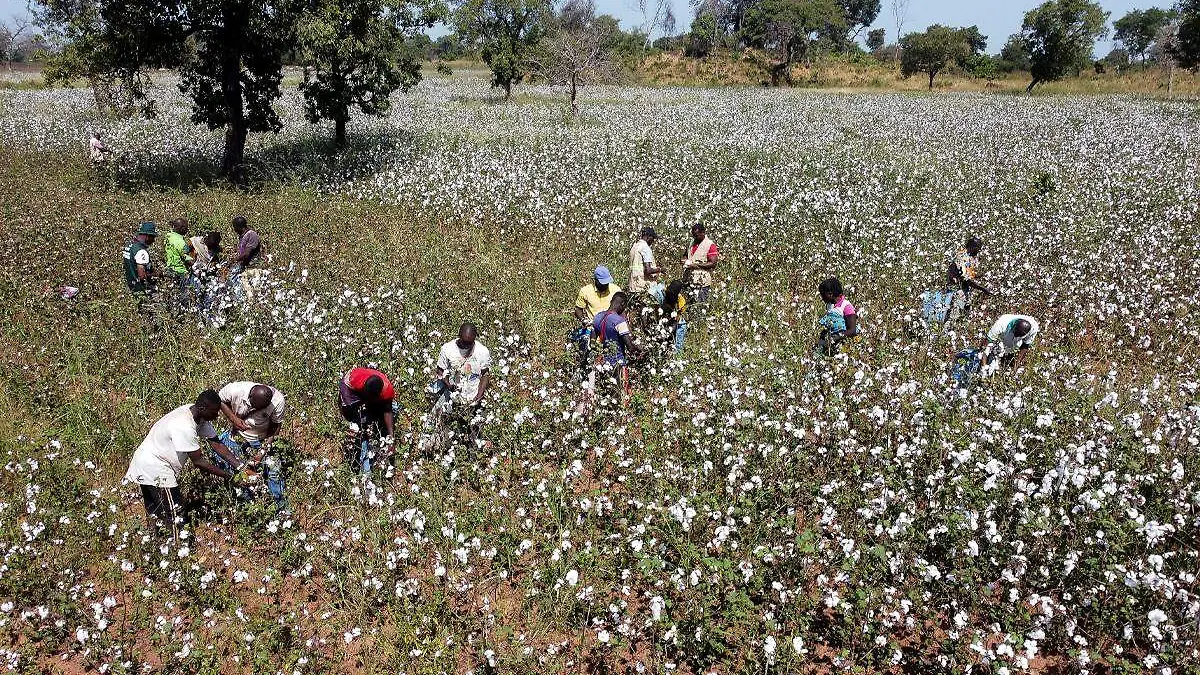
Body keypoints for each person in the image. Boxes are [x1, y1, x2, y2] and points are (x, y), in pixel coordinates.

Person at [123, 390, 249, 531]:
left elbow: (217, 444)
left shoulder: (198, 415)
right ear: (203, 408)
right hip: (155, 467)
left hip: (146, 461)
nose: (216, 416)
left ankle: (156, 545)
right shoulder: (184, 426)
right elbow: (199, 462)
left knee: (156, 512)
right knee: (174, 513)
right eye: (214, 412)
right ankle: (178, 547)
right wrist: (230, 477)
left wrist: (242, 468)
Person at [217, 382, 288, 511]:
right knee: (240, 474)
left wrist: (262, 451)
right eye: (253, 407)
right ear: (249, 397)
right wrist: (234, 419)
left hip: (261, 439)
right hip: (237, 437)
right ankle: (249, 508)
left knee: (274, 472)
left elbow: (274, 428)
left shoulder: (278, 401)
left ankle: (282, 510)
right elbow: (219, 400)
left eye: (260, 409)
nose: (254, 411)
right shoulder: (235, 390)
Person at [338, 367, 396, 474]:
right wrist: (350, 422)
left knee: (389, 410)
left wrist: (391, 438)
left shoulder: (387, 389)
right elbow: (343, 400)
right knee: (357, 422)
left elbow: (388, 411)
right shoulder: (353, 381)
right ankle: (362, 465)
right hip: (352, 389)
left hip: (373, 396)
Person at [572, 266, 622, 367]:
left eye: (607, 282)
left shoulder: (615, 290)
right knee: (589, 356)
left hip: (611, 328)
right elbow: (578, 309)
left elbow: (622, 310)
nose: (605, 285)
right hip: (593, 328)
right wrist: (583, 320)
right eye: (602, 283)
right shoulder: (585, 291)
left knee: (613, 357)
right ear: (595, 280)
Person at [593, 292, 639, 397]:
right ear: (622, 304)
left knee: (606, 393)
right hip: (618, 364)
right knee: (619, 394)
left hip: (603, 364)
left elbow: (592, 342)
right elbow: (630, 347)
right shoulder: (619, 321)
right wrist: (639, 348)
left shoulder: (597, 317)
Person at [946, 236, 990, 322]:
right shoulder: (961, 257)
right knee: (952, 316)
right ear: (972, 247)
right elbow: (966, 279)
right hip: (956, 291)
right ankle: (945, 333)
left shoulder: (969, 257)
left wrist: (979, 275)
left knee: (966, 315)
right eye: (978, 249)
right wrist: (982, 289)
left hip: (965, 291)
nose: (978, 251)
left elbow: (969, 274)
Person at [815, 277, 859, 355]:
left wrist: (836, 337)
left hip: (844, 345)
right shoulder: (830, 305)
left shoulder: (846, 306)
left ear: (830, 294)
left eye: (823, 294)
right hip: (832, 342)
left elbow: (852, 330)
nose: (822, 298)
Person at [122, 222, 159, 307]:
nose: (153, 240)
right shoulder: (141, 251)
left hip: (131, 287)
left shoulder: (129, 246)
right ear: (147, 236)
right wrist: (158, 274)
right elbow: (142, 276)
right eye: (153, 237)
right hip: (142, 290)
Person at [682, 223, 720, 304]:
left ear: (703, 233)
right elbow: (686, 254)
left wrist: (695, 265)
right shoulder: (691, 242)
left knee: (700, 306)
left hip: (702, 282)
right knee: (688, 306)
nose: (695, 237)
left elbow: (713, 263)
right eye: (693, 235)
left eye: (697, 235)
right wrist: (684, 260)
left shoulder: (710, 245)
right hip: (688, 280)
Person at [163, 218, 196, 300]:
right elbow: (187, 259)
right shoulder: (181, 243)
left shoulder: (168, 236)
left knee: (172, 295)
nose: (187, 230)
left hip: (169, 268)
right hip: (180, 272)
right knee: (183, 297)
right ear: (182, 228)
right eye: (186, 228)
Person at [229, 216, 262, 299]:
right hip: (246, 269)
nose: (234, 230)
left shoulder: (252, 235)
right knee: (247, 294)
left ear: (239, 227)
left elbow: (247, 253)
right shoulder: (243, 236)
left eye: (234, 227)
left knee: (253, 295)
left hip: (254, 269)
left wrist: (234, 260)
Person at [628, 227, 664, 294]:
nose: (653, 241)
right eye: (653, 238)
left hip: (633, 285)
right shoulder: (645, 248)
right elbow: (648, 270)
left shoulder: (634, 246)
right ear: (648, 237)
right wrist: (660, 269)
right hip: (642, 287)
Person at [659, 280, 688, 355]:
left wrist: (671, 329)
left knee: (678, 344)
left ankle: (678, 358)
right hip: (669, 320)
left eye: (672, 294)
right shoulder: (666, 292)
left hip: (680, 324)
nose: (669, 295)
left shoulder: (681, 301)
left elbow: (677, 319)